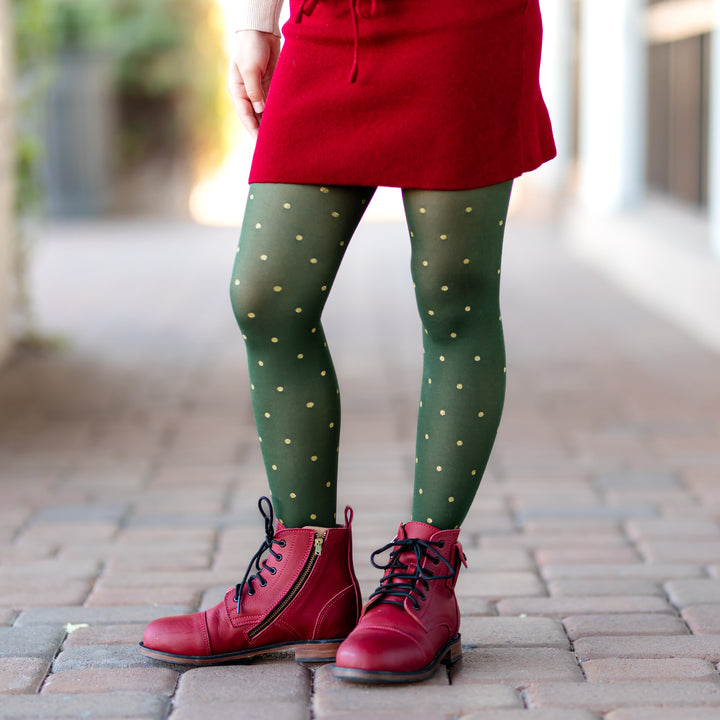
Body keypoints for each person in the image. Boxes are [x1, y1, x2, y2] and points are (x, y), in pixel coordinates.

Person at [139, 0, 556, 683]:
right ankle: (306, 584)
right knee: (267, 296)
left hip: (467, 24)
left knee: (455, 299)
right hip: (331, 25)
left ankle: (427, 581)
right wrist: (252, 22)